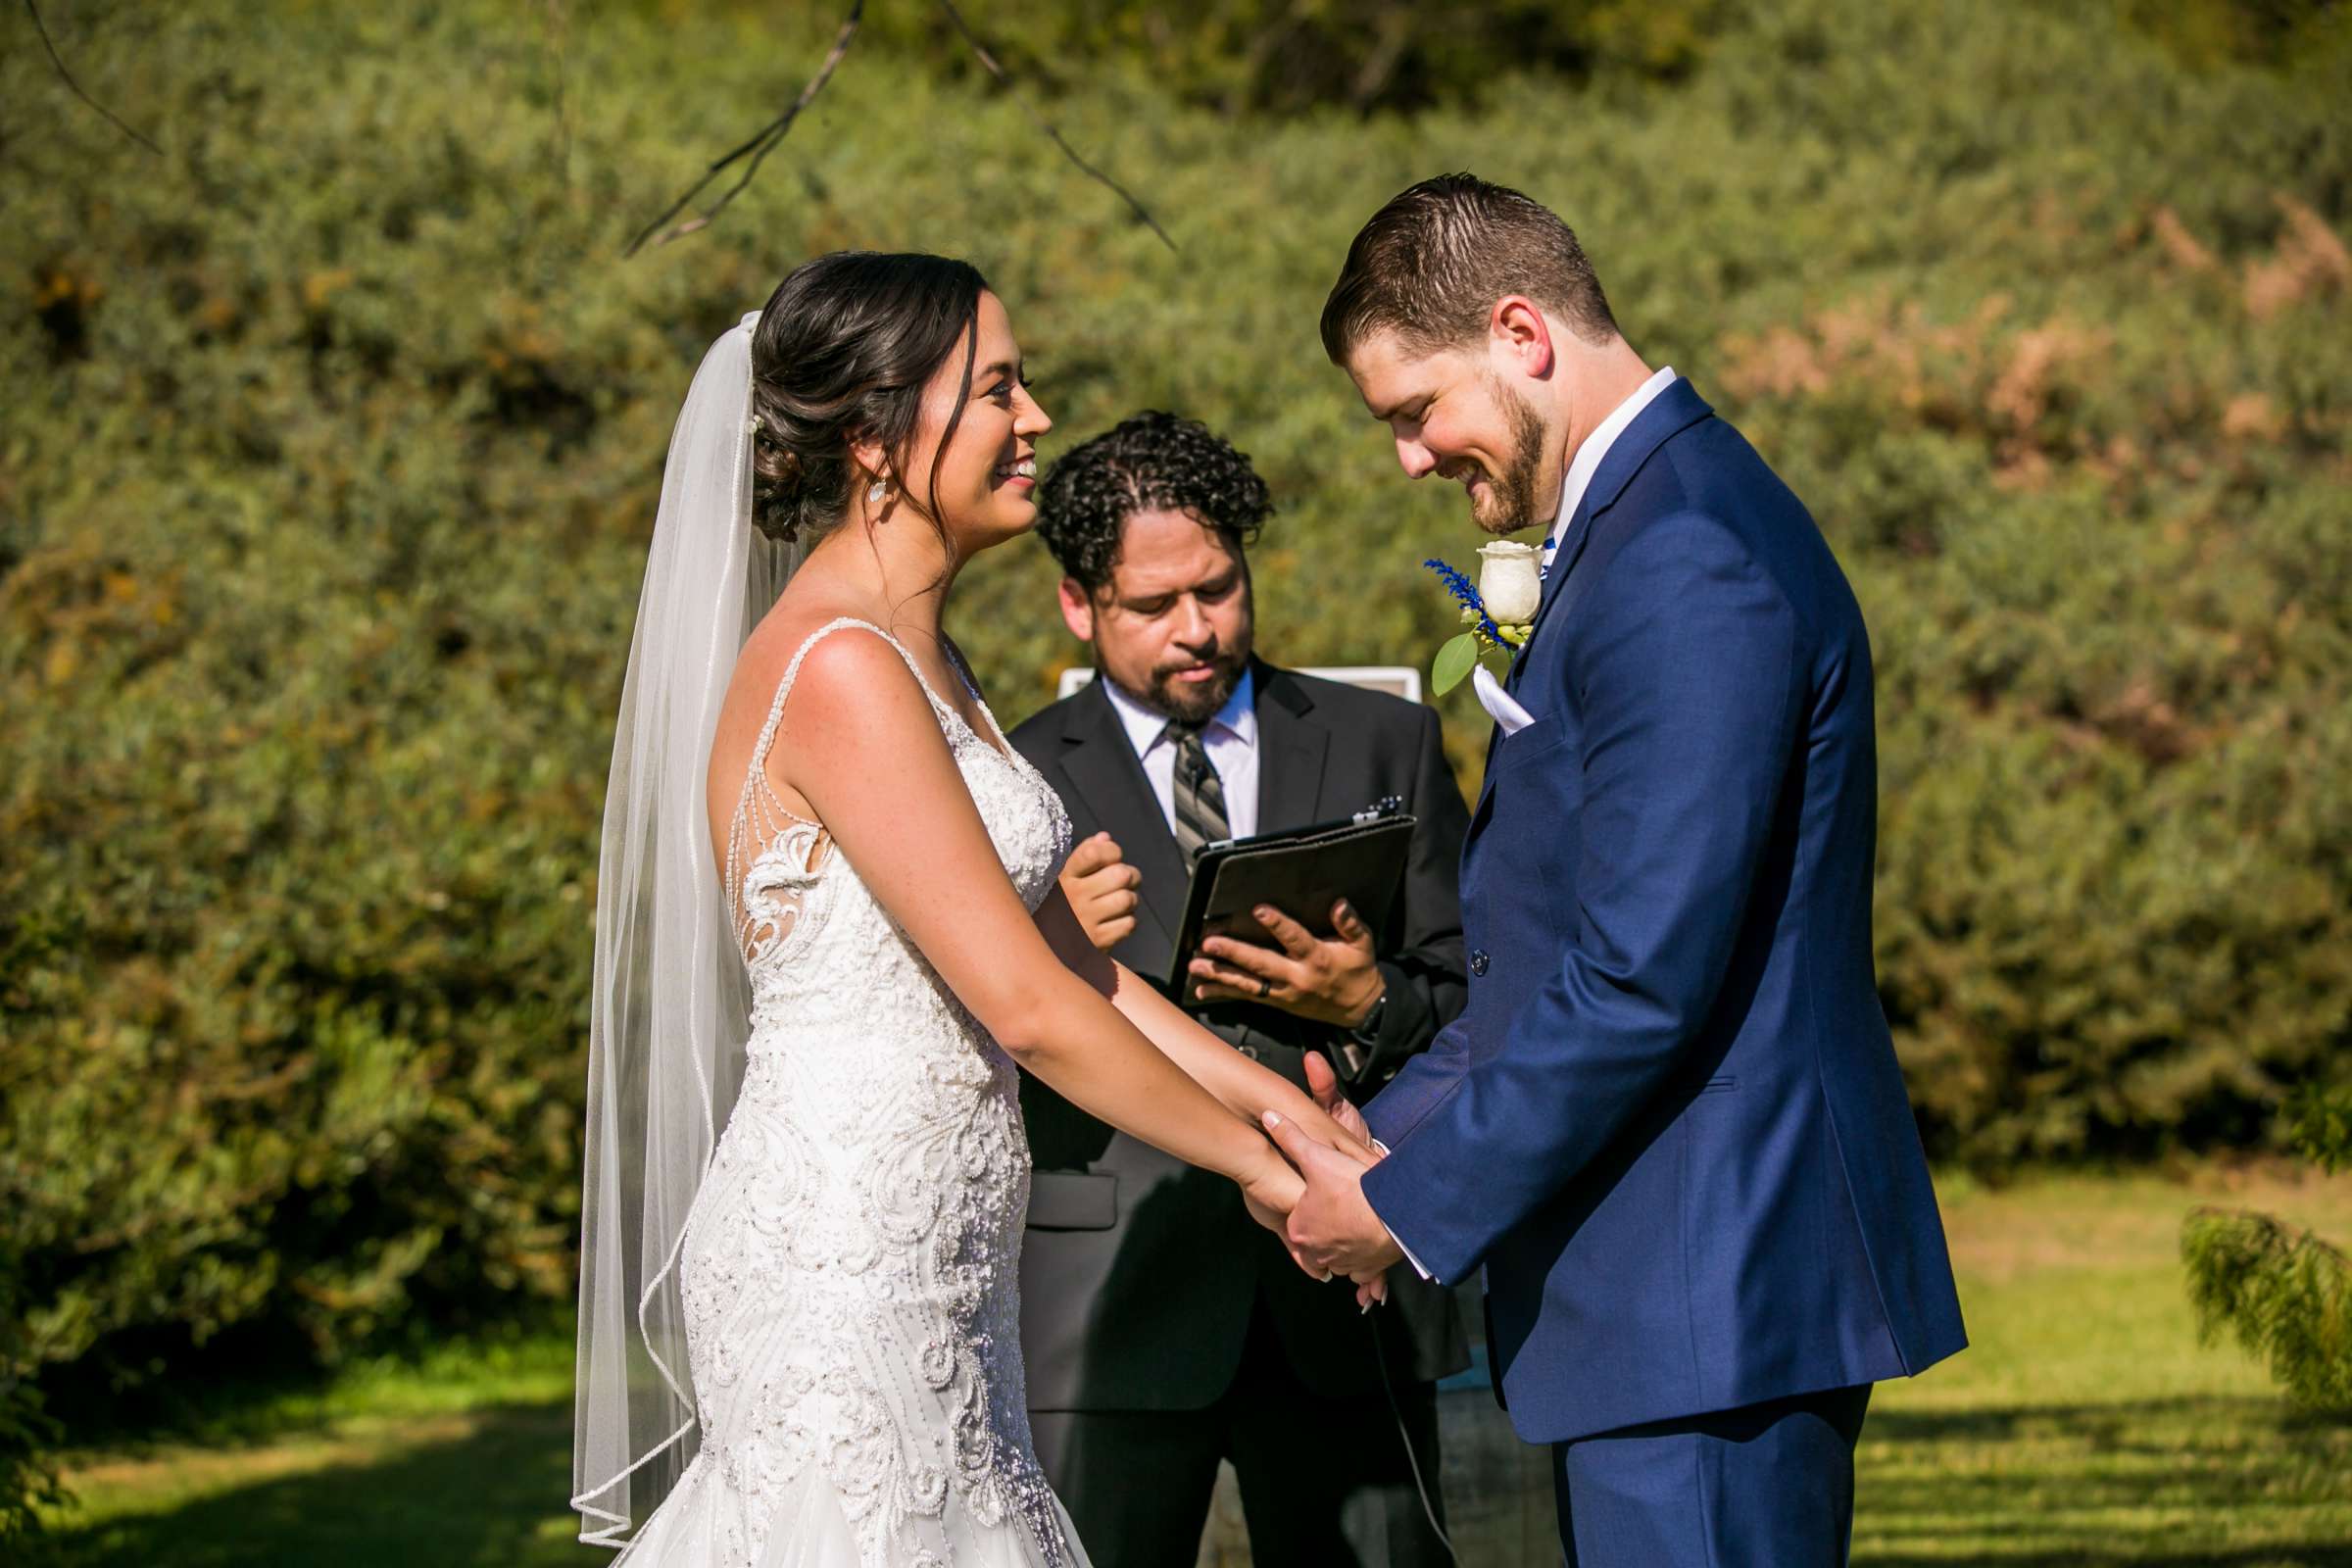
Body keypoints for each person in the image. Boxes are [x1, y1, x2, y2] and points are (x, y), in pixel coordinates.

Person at [569, 252, 1380, 1568]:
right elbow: (1030, 1010)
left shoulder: (927, 657)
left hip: (946, 1264)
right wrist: (1277, 1180)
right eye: (1000, 388)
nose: (1037, 420)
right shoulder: (840, 666)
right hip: (843, 1261)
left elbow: (1083, 974)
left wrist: (1288, 1110)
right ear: (886, 433)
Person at [1265, 174, 1969, 1567]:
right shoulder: (1647, 527)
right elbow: (1547, 958)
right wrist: (1377, 1135)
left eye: (1416, 410)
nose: (1410, 458)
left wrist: (1402, 1207)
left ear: (1521, 331)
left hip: (1709, 1295)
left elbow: (1642, 979)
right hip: (1669, 1299)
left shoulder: (1685, 555)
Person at [1006, 413, 1471, 1567]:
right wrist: (1040, 931)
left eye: (1217, 587)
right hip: (1101, 1303)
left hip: (1340, 1299)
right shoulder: (1013, 777)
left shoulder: (1388, 740)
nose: (1197, 629)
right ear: (1079, 604)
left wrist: (1366, 998)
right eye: (1153, 607)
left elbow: (1476, 991)